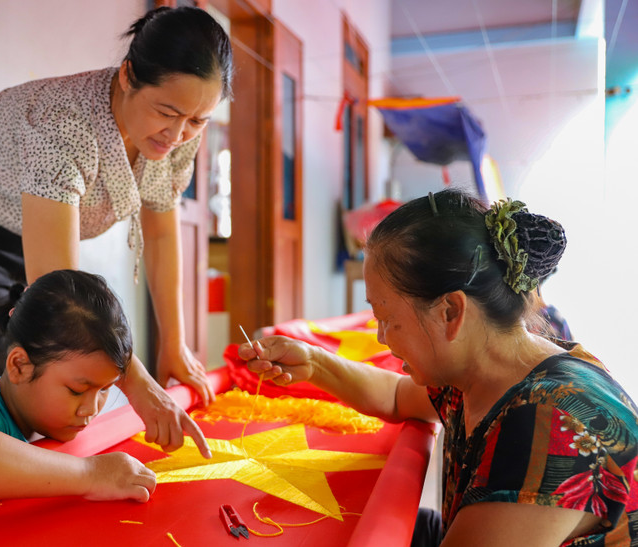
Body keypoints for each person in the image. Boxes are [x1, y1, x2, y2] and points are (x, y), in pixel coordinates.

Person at [238, 189, 638, 546]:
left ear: (450, 311)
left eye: (386, 317)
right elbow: (396, 397)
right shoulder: (489, 368)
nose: (380, 337)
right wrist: (314, 362)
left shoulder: (551, 426)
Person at [0, 6, 234, 410]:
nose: (177, 134)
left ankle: (34, 470)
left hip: (32, 232)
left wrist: (174, 343)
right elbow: (56, 284)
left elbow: (162, 231)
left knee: (48, 381)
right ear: (128, 75)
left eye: (197, 120)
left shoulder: (180, 135)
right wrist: (136, 383)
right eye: (166, 112)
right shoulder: (64, 122)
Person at [0, 270, 210, 501]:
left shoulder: (46, 416)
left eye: (104, 390)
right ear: (19, 366)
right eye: (77, 390)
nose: (91, 409)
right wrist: (91, 474)